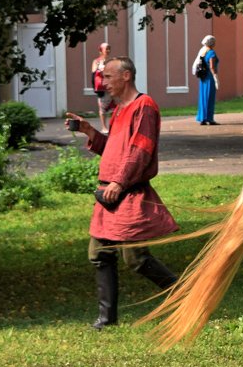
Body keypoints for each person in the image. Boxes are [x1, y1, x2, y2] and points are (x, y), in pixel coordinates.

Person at [65, 57, 179, 330]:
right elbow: (113, 148)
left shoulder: (144, 106)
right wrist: (89, 130)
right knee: (99, 253)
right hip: (109, 192)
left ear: (126, 76)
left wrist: (119, 182)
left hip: (127, 192)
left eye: (107, 77)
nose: (103, 82)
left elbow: (141, 149)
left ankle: (184, 296)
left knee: (136, 258)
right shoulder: (118, 110)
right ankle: (107, 319)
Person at [194, 35, 220, 125]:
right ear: (212, 43)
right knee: (209, 97)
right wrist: (216, 78)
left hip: (203, 79)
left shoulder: (203, 52)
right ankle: (209, 118)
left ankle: (202, 118)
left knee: (203, 97)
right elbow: (212, 66)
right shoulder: (211, 53)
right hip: (209, 78)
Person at [90, 42, 112, 132]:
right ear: (100, 50)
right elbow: (94, 73)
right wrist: (101, 67)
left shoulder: (111, 61)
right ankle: (104, 127)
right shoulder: (96, 61)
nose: (108, 50)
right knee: (102, 108)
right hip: (101, 88)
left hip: (111, 87)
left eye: (109, 48)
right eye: (106, 48)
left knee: (113, 108)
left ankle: (113, 126)